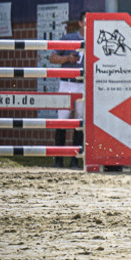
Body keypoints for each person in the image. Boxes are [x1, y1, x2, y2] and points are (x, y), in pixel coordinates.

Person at [49, 12, 85, 168]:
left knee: (79, 121)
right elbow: (52, 58)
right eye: (86, 21)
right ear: (80, 23)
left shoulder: (97, 40)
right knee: (61, 120)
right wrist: (67, 59)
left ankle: (75, 159)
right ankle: (58, 159)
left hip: (83, 84)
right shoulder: (68, 38)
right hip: (66, 82)